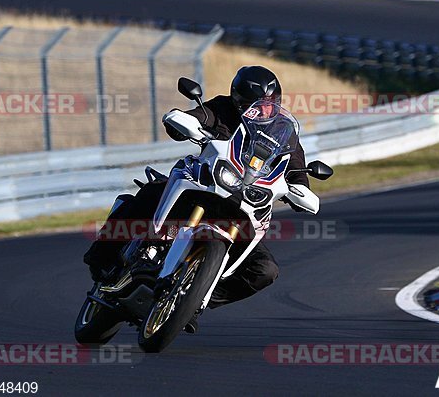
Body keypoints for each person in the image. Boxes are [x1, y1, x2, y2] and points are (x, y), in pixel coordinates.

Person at [83, 65, 311, 332]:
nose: (264, 110)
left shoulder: (284, 133)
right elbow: (193, 117)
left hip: (243, 203)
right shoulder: (222, 109)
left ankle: (191, 299)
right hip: (203, 184)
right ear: (238, 99)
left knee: (265, 270)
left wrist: (300, 191)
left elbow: (297, 171)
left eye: (271, 103)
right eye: (256, 104)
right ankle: (103, 256)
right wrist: (182, 123)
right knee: (149, 193)